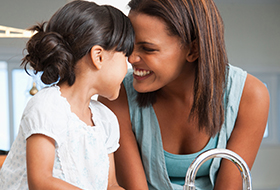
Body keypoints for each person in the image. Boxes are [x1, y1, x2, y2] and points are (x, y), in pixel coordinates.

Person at [98, 0, 270, 189]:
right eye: (130, 46)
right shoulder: (116, 93)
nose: (131, 59)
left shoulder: (251, 96)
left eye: (148, 49)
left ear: (193, 50)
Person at [0, 0, 134, 189]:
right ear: (99, 57)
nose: (129, 65)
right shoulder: (47, 106)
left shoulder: (106, 120)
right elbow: (41, 182)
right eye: (125, 56)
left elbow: (111, 184)